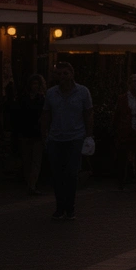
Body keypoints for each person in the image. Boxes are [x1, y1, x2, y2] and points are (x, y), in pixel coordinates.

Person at [40, 63, 92, 220]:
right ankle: (59, 207)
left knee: (71, 174)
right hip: (56, 138)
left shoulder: (83, 92)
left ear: (72, 74)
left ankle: (70, 207)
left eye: (65, 73)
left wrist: (89, 136)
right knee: (57, 175)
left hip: (75, 138)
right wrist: (44, 136)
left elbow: (88, 114)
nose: (62, 77)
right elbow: (46, 115)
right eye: (59, 74)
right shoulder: (51, 93)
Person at [15, 74, 47, 194]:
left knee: (35, 161)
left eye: (37, 84)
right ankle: (29, 183)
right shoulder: (24, 99)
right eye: (34, 84)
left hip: (37, 133)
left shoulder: (42, 99)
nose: (35, 86)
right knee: (27, 160)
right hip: (25, 132)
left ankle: (32, 185)